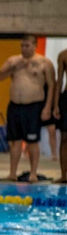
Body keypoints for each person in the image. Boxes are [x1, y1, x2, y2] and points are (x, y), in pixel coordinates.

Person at [0, 35, 56, 183]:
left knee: (32, 141)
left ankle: (33, 173)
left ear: (34, 45)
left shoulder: (44, 63)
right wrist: (13, 67)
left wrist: (48, 107)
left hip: (34, 106)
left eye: (27, 46)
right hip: (15, 105)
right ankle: (12, 173)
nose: (23, 48)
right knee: (15, 141)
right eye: (22, 45)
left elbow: (52, 86)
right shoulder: (13, 61)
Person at [56, 46, 67, 182]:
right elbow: (59, 81)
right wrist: (55, 105)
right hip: (66, 98)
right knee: (64, 138)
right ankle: (64, 175)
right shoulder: (63, 55)